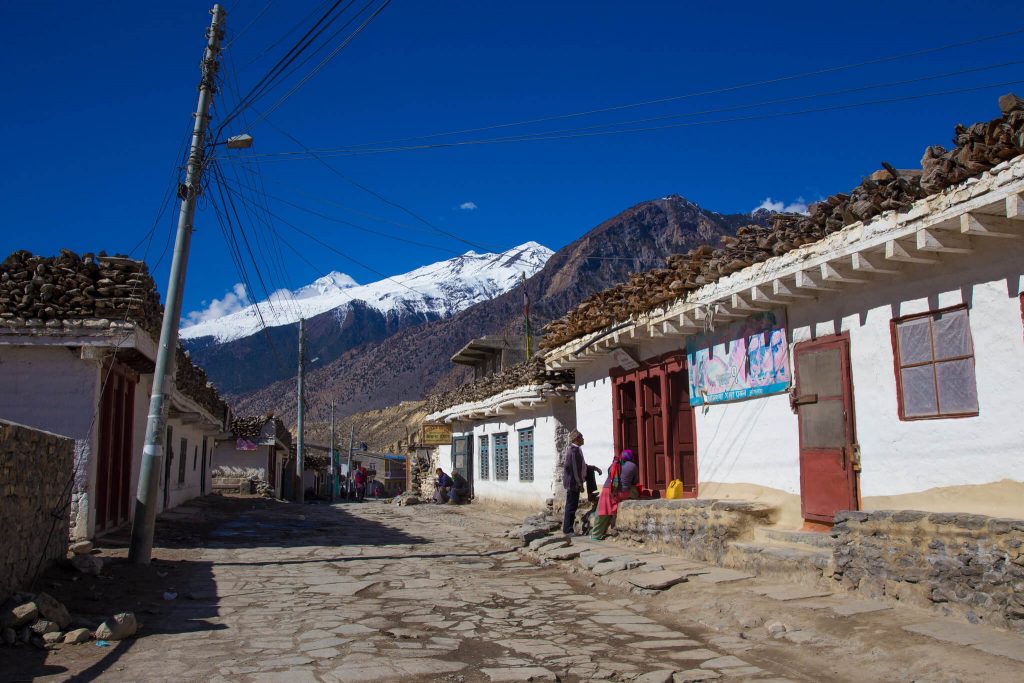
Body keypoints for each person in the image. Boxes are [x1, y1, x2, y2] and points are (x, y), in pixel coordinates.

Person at [591, 449, 640, 540]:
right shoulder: (632, 466)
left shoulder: (614, 464)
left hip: (608, 491)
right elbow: (635, 481)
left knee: (601, 511)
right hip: (621, 493)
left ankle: (596, 534)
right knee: (635, 491)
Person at [561, 430, 587, 535]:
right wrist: (580, 484)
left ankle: (567, 529)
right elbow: (575, 470)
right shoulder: (573, 451)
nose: (583, 439)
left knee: (572, 506)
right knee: (571, 507)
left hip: (574, 482)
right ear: (577, 439)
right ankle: (568, 530)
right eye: (582, 437)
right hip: (573, 483)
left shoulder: (577, 450)